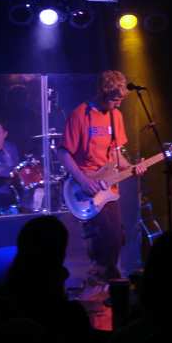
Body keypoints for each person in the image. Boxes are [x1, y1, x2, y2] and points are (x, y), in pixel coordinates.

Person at [57, 70, 146, 296]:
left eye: (121, 99)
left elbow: (116, 153)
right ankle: (104, 284)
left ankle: (103, 283)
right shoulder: (80, 114)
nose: (118, 104)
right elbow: (63, 152)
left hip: (109, 188)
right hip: (87, 186)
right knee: (105, 237)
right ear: (102, 93)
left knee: (117, 237)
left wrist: (132, 167)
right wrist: (84, 180)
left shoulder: (116, 116)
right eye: (115, 99)